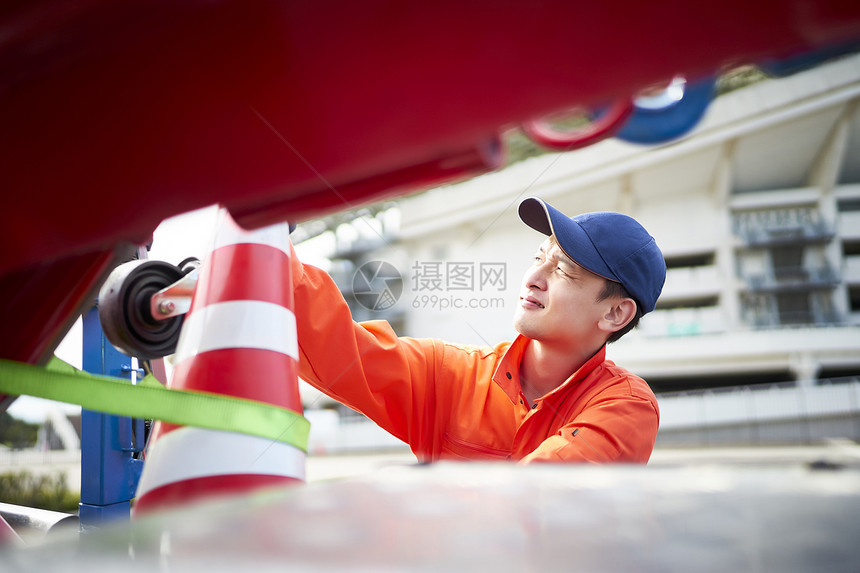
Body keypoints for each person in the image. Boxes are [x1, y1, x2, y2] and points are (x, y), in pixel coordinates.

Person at [289, 197, 666, 463]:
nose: (533, 278)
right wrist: (272, 241)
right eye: (539, 258)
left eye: (563, 270)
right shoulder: (449, 374)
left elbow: (540, 494)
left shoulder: (626, 405)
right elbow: (335, 347)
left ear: (616, 314)